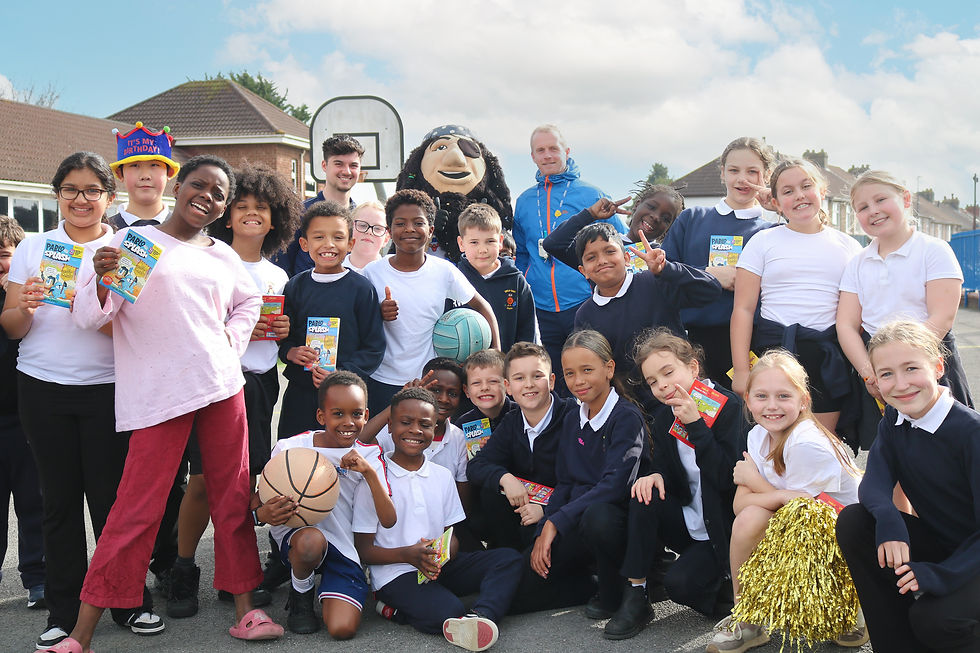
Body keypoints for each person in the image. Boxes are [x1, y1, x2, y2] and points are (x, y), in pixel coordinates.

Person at [57, 154, 285, 653]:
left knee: (232, 499)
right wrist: (99, 277)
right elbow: (91, 318)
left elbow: (248, 301)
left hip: (221, 386)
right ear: (178, 187)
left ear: (224, 208)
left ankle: (247, 611)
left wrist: (230, 342)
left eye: (219, 194)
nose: (207, 197)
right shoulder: (136, 244)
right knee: (136, 509)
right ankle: (81, 634)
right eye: (198, 185)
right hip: (159, 394)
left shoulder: (222, 255)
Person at [0, 152, 161, 650]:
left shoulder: (126, 250)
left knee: (113, 502)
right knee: (58, 502)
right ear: (57, 195)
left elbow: (134, 331)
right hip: (41, 386)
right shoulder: (34, 247)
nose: (81, 199)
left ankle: (128, 601)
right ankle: (64, 611)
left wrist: (87, 303)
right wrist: (26, 307)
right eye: (70, 189)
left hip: (109, 387)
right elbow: (11, 327)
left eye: (92, 190)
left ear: (109, 197)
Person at [164, 163, 301, 617]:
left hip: (259, 384)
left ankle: (234, 574)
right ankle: (183, 569)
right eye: (241, 205)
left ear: (276, 217)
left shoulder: (279, 276)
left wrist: (282, 333)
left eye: (261, 207)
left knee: (243, 485)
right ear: (226, 213)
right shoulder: (208, 258)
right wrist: (238, 326)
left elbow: (282, 342)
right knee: (202, 482)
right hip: (214, 382)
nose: (251, 213)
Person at [836, 320, 980, 653]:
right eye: (886, 374)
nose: (901, 385)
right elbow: (874, 481)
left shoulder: (970, 433)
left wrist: (941, 575)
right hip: (947, 545)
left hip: (973, 556)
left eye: (911, 368)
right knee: (856, 522)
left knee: (935, 619)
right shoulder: (895, 419)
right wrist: (889, 520)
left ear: (938, 367)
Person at [707, 350, 861, 653]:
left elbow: (805, 517)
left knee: (760, 514)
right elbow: (741, 506)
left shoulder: (806, 443)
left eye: (783, 396)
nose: (772, 406)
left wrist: (756, 483)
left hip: (843, 537)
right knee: (749, 519)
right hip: (803, 523)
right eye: (761, 396)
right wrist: (777, 494)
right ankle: (746, 619)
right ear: (748, 400)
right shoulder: (757, 435)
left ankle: (852, 600)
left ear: (803, 400)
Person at [353, 387, 523, 651]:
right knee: (449, 609)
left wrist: (445, 552)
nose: (415, 430)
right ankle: (395, 610)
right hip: (396, 573)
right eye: (405, 422)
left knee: (508, 559)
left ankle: (482, 616)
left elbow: (451, 533)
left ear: (434, 430)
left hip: (437, 567)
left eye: (424, 425)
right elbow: (364, 550)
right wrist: (408, 555)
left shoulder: (442, 476)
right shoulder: (374, 477)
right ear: (390, 426)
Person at [604, 329, 746, 640]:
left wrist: (696, 425)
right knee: (644, 492)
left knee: (681, 586)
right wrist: (656, 475)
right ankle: (637, 591)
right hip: (690, 522)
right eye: (653, 381)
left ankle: (738, 591)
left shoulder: (729, 406)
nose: (662, 385)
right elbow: (669, 471)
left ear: (693, 367)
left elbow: (726, 479)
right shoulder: (665, 415)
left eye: (668, 373)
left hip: (724, 530)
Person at [512, 330, 647, 617]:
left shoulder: (626, 417)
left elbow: (614, 486)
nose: (578, 381)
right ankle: (586, 586)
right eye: (570, 373)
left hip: (612, 524)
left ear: (609, 368)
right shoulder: (573, 416)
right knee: (519, 586)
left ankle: (616, 590)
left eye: (587, 370)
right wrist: (544, 528)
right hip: (573, 520)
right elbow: (565, 482)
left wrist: (555, 522)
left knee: (598, 517)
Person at [260, 371, 396, 638]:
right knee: (310, 541)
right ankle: (301, 593)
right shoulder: (291, 448)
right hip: (301, 539)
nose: (348, 422)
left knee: (342, 629)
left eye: (356, 414)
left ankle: (327, 581)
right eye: (338, 414)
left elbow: (389, 520)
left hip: (343, 544)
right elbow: (259, 501)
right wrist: (264, 513)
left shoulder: (370, 455)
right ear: (321, 416)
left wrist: (368, 473)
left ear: (366, 416)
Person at [731, 158, 862, 434]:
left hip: (826, 356)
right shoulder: (762, 242)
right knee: (773, 443)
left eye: (806, 186)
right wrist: (741, 370)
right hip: (773, 353)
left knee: (823, 442)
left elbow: (856, 313)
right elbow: (743, 309)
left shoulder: (848, 246)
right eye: (788, 191)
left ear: (822, 191)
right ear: (776, 203)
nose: (799, 195)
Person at [837, 169, 973, 411]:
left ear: (906, 199)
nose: (873, 210)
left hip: (927, 359)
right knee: (887, 434)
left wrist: (906, 366)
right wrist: (871, 373)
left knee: (946, 433)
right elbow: (846, 325)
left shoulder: (934, 250)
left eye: (881, 200)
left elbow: (942, 317)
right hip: (878, 368)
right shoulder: (856, 263)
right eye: (863, 207)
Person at [362, 189, 500, 415]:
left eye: (418, 223)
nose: (409, 229)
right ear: (389, 230)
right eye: (400, 223)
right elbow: (357, 320)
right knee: (381, 436)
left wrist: (495, 356)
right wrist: (377, 313)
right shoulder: (372, 272)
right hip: (382, 379)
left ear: (431, 230)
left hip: (430, 380)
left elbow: (483, 307)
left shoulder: (443, 270)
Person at [513, 124, 626, 393]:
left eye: (553, 148)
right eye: (541, 150)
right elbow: (522, 253)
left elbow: (621, 243)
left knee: (590, 373)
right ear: (533, 157)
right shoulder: (524, 201)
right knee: (555, 381)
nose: (548, 155)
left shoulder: (592, 194)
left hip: (582, 301)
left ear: (566, 151)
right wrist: (527, 282)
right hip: (542, 306)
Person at [660, 137, 777, 388]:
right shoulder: (692, 219)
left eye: (752, 172)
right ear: (722, 173)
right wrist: (709, 274)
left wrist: (781, 207)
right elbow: (661, 276)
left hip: (752, 345)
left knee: (747, 409)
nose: (742, 179)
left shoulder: (773, 231)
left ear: (767, 176)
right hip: (691, 345)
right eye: (734, 170)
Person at [569, 221, 721, 409]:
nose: (602, 261)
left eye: (610, 251)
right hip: (636, 408)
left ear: (626, 258)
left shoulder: (655, 281)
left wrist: (666, 269)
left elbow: (711, 290)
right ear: (583, 271)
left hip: (685, 393)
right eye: (591, 257)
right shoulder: (585, 314)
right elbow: (593, 367)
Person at [276, 200, 386, 439]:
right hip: (301, 394)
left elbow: (374, 348)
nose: (329, 244)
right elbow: (284, 337)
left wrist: (342, 373)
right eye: (319, 237)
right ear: (304, 244)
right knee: (295, 454)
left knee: (342, 456)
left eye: (338, 237)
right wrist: (290, 352)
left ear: (350, 244)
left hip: (345, 397)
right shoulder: (295, 286)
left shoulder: (361, 289)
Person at [467, 342, 574, 551]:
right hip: (526, 511)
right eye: (519, 378)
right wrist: (505, 478)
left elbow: (582, 478)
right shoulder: (512, 421)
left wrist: (548, 510)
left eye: (537, 376)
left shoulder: (572, 417)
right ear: (508, 386)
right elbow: (477, 465)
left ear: (552, 381)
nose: (528, 384)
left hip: (565, 511)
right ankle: (509, 556)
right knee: (492, 491)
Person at [0, 215, 46, 611]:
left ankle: (39, 577)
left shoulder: (32, 293)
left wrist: (17, 300)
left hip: (26, 416)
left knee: (35, 503)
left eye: (4, 255)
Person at [274, 134, 364, 276]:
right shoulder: (298, 214)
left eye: (353, 165)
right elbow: (281, 269)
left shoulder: (363, 219)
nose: (346, 171)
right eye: (339, 164)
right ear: (324, 165)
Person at [455, 203, 537, 352]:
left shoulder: (516, 281)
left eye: (490, 241)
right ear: (461, 244)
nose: (482, 249)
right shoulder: (453, 280)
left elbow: (527, 333)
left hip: (507, 363)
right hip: (463, 365)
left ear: (500, 241)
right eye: (474, 242)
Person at [106, 121, 180, 230]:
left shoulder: (185, 232)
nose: (145, 176)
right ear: (119, 173)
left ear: (169, 172)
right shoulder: (104, 232)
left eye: (154, 165)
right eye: (134, 165)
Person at [456, 349, 516, 433]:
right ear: (466, 391)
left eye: (493, 381)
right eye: (476, 383)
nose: (484, 387)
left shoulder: (523, 415)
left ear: (507, 385)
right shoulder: (462, 425)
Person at [346, 201, 390, 273]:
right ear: (349, 229)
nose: (369, 232)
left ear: (386, 239)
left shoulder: (391, 275)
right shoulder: (331, 272)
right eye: (362, 225)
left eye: (377, 228)